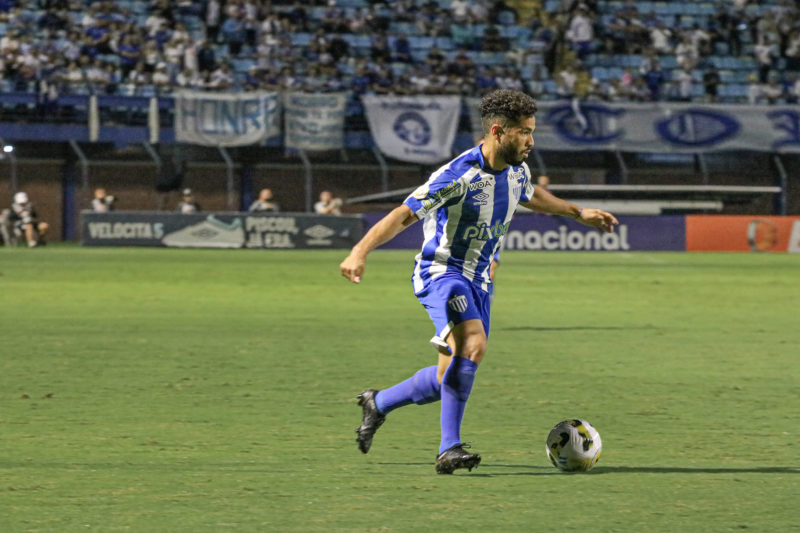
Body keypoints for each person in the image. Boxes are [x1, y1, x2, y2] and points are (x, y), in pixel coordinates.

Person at [340, 89, 618, 475]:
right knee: (472, 344)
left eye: (532, 131)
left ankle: (379, 402)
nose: (531, 141)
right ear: (497, 130)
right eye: (524, 132)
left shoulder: (517, 170)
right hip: (442, 273)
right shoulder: (457, 176)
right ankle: (448, 448)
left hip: (479, 281)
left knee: (446, 376)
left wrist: (578, 212)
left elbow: (531, 194)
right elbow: (404, 215)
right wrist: (359, 251)